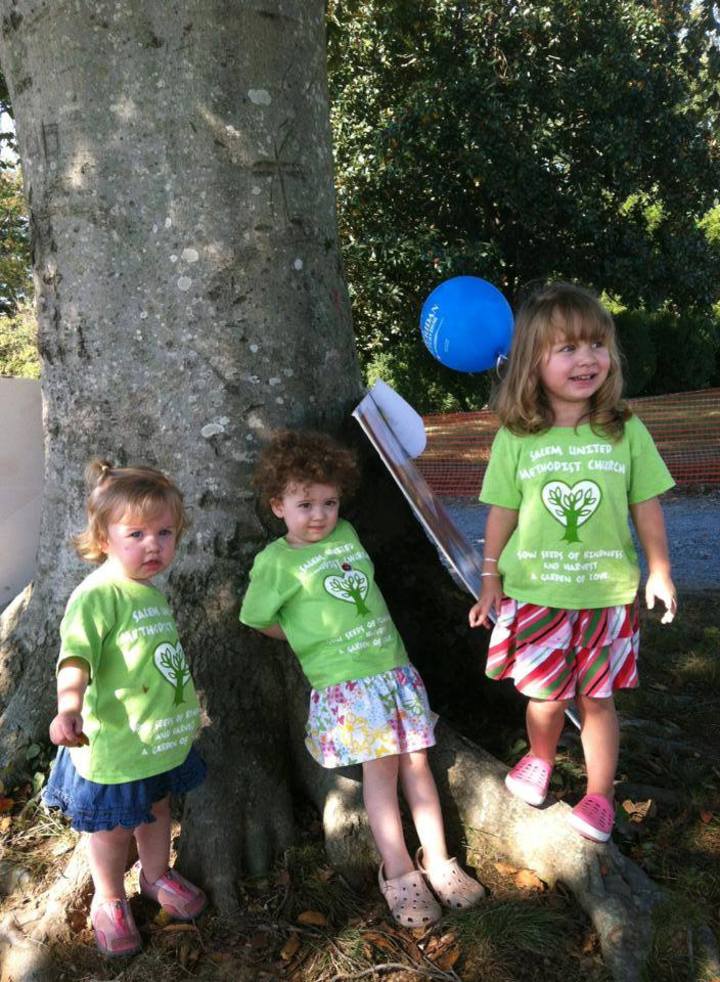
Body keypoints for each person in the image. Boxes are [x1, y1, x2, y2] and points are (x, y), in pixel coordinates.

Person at [240, 430, 484, 927]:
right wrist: (305, 638)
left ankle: (437, 860)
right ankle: (397, 871)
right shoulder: (276, 562)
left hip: (394, 673)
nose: (319, 514)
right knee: (382, 773)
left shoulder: (346, 534)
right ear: (277, 505)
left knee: (418, 765)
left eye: (328, 502)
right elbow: (256, 618)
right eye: (304, 503)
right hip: (347, 687)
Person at [469, 282, 677, 842]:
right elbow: (500, 514)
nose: (587, 359)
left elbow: (647, 504)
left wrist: (660, 569)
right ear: (532, 363)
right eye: (567, 348)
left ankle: (599, 795)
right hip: (537, 595)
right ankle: (539, 759)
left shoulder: (625, 429)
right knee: (543, 696)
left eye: (597, 345)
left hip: (606, 599)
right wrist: (489, 579)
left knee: (598, 701)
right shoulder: (517, 437)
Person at [43, 460, 207, 957]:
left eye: (165, 532)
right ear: (104, 537)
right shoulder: (97, 596)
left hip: (153, 742)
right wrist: (67, 707)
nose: (153, 544)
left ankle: (156, 876)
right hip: (114, 745)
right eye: (136, 532)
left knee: (158, 810)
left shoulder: (148, 594)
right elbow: (75, 657)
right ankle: (109, 898)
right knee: (113, 829)